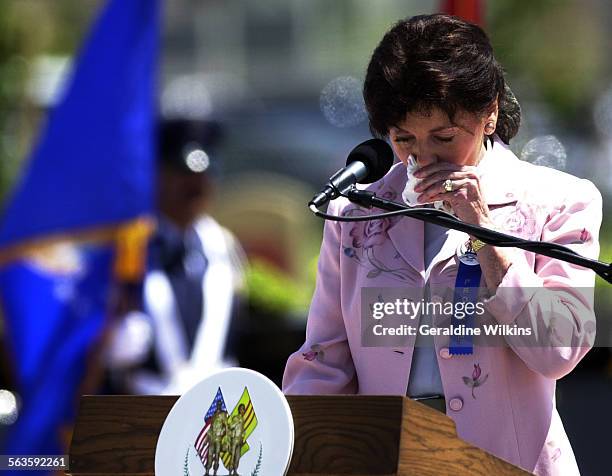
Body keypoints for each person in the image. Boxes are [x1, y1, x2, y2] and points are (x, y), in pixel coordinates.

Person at [282, 14, 602, 476]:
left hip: (511, 463)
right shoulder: (357, 214)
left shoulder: (559, 201)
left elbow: (559, 350)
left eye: (444, 137)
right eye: (403, 139)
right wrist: (301, 450)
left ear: (490, 111)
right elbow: (325, 360)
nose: (423, 158)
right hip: (387, 458)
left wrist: (483, 229)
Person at [104, 118, 246, 395]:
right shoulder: (130, 246)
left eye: (205, 175)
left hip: (217, 407)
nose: (197, 185)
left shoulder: (224, 246)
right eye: (183, 174)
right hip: (146, 407)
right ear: (158, 175)